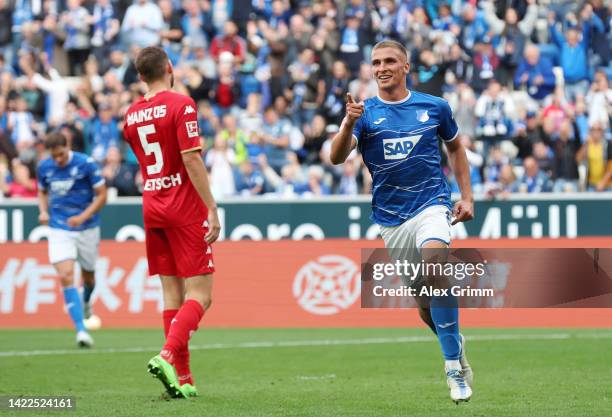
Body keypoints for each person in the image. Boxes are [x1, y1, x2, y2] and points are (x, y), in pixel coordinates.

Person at [330, 39, 474, 404]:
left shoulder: (435, 107)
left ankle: (453, 366)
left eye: (390, 61)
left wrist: (467, 196)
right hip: (392, 218)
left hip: (432, 204)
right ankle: (454, 342)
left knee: (436, 262)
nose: (382, 67)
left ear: (406, 66)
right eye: (376, 61)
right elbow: (335, 156)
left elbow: (456, 148)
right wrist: (348, 122)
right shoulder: (365, 113)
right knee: (425, 304)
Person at [122, 46, 220, 399]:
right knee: (201, 295)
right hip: (184, 206)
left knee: (171, 293)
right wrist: (211, 207)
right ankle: (166, 355)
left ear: (140, 76)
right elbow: (191, 158)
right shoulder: (182, 105)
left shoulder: (131, 115)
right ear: (169, 67)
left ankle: (184, 378)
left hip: (153, 206)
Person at [37, 132, 107, 348]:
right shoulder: (44, 167)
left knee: (89, 277)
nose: (58, 159)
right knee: (66, 275)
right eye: (54, 156)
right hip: (59, 228)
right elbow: (42, 192)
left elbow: (102, 195)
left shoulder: (86, 164)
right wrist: (43, 211)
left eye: (61, 154)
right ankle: (81, 330)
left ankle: (86, 301)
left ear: (67, 147)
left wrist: (83, 216)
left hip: (86, 228)